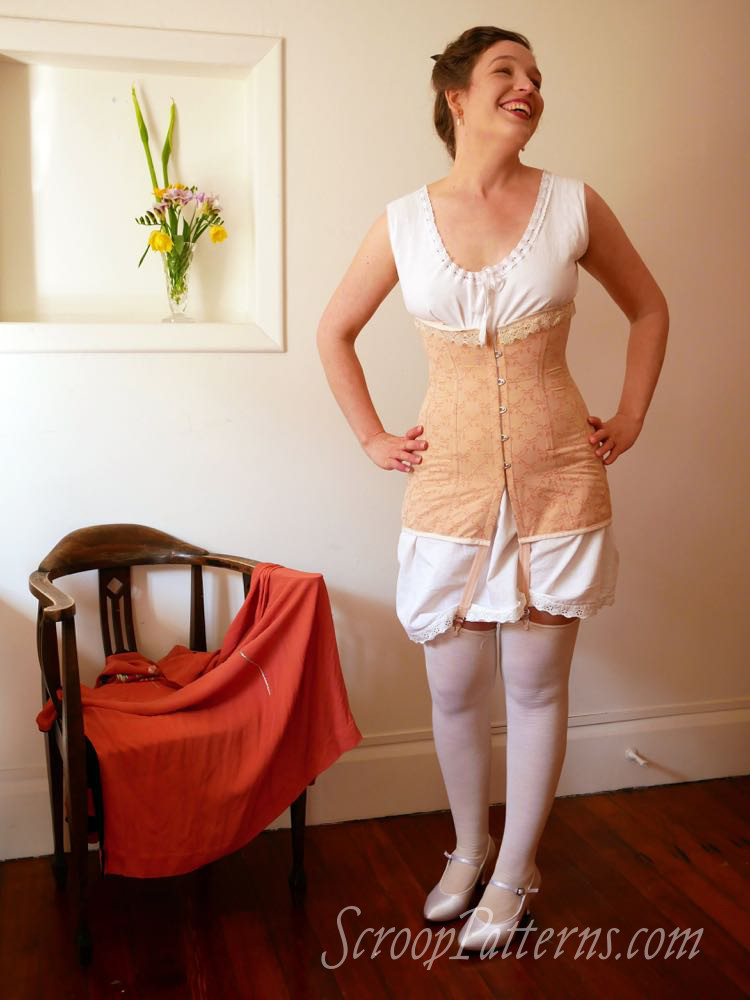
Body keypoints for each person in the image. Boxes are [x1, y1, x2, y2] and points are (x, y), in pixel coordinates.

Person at [316, 25, 668, 953]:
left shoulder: (572, 204)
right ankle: (469, 850)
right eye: (506, 72)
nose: (528, 87)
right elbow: (334, 331)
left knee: (536, 687)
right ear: (455, 96)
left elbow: (649, 307)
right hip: (449, 491)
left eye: (537, 76)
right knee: (453, 688)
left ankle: (517, 873)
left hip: (559, 481)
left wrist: (628, 417)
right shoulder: (401, 220)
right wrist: (372, 436)